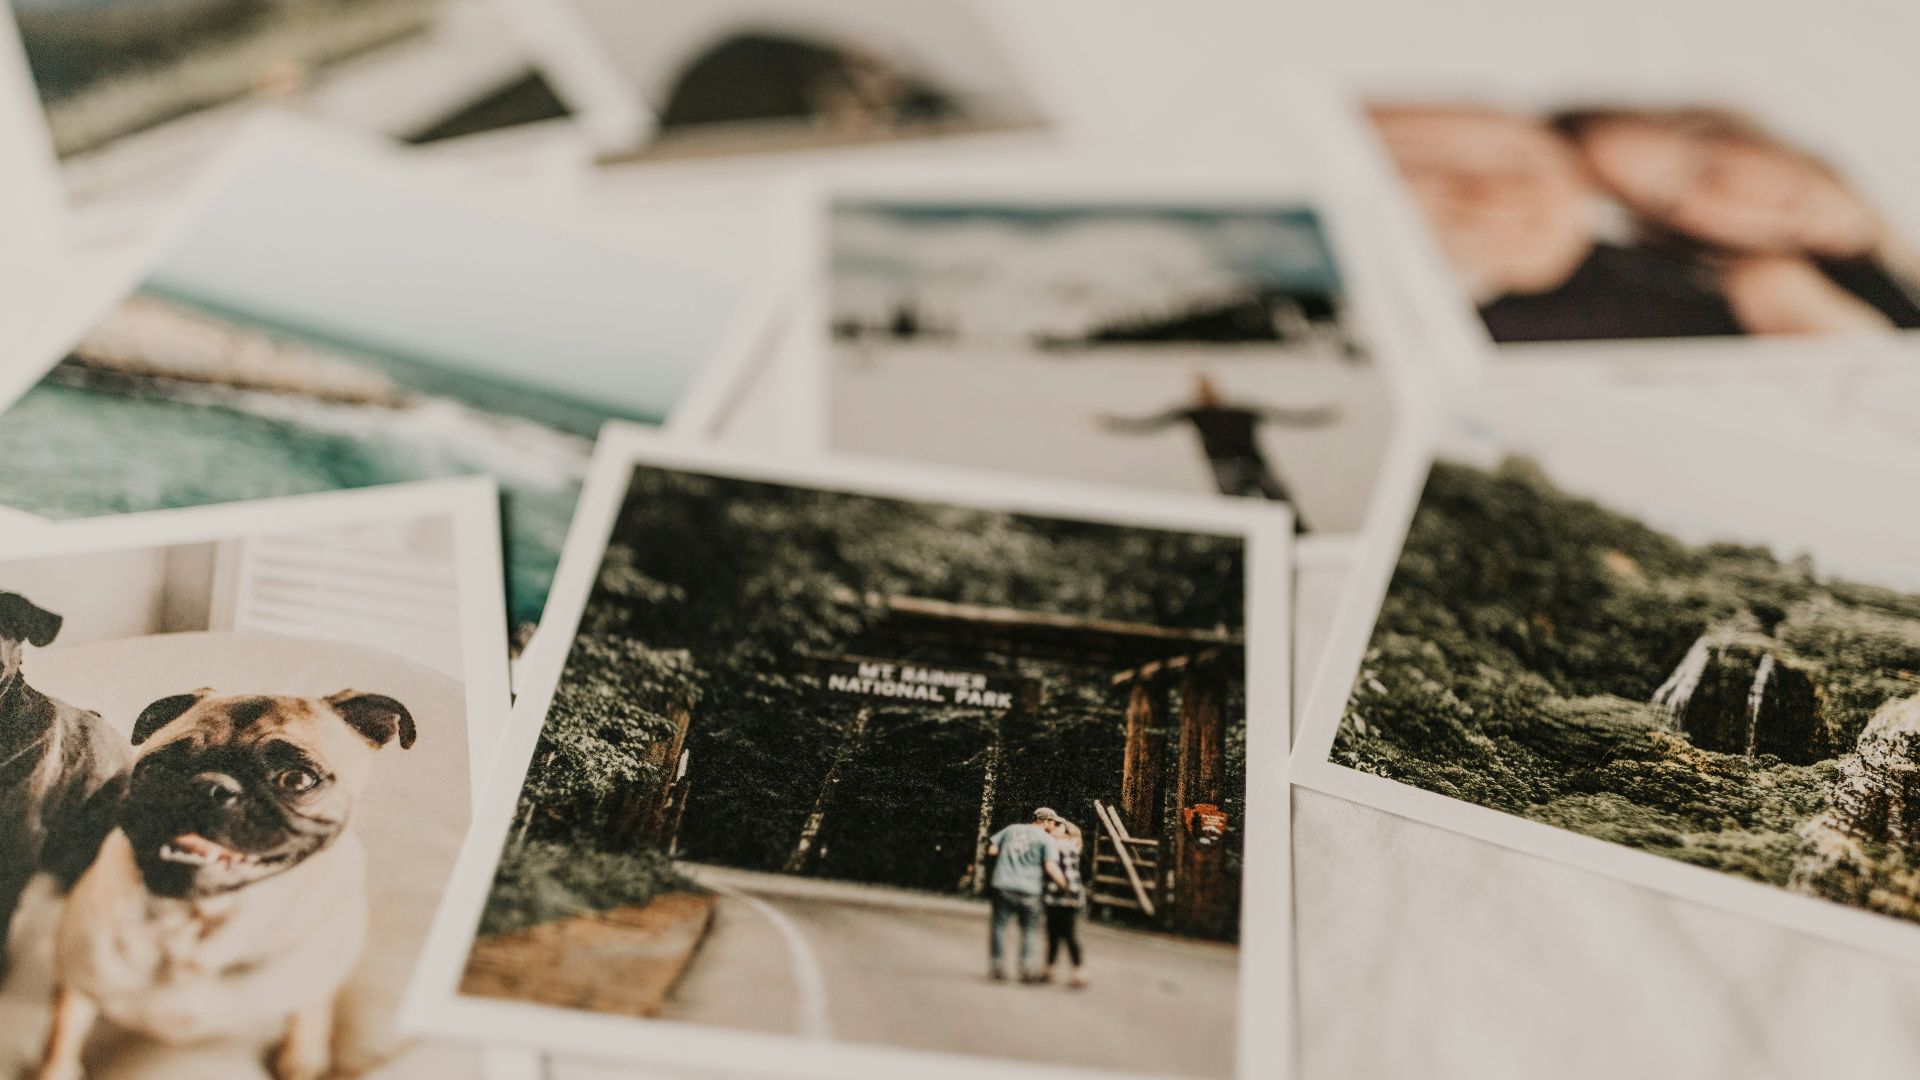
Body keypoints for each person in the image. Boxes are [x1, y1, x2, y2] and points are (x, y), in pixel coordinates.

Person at [1370, 105, 1743, 342]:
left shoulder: (1551, 256)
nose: (1716, 201)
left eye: (1665, 206)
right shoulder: (1518, 145)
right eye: (1702, 164)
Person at [1556, 107, 1920, 334]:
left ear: (1730, 131)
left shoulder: (1893, 145)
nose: (1726, 199)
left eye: (1703, 165)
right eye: (1668, 209)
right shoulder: (1774, 286)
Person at [1097, 374, 1338, 524]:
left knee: (1281, 508)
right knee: (1240, 516)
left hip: (1252, 465)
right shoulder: (1196, 413)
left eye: (1207, 388)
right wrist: (1111, 423)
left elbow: (1292, 417)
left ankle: (1304, 542)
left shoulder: (1241, 410)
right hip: (1228, 469)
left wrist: (1327, 414)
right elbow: (1147, 424)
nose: (1206, 394)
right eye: (1202, 390)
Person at [985, 807, 1069, 983]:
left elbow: (992, 850)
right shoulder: (1047, 839)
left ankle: (997, 966)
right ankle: (1026, 969)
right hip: (1029, 890)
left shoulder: (1011, 829)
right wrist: (1065, 885)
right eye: (1052, 822)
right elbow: (1050, 867)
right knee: (1029, 930)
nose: (1053, 826)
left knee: (999, 926)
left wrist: (1009, 855)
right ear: (1044, 821)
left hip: (1003, 884)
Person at [1040, 818, 1087, 989]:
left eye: (1057, 826)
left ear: (1065, 831)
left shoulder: (1065, 845)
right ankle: (1050, 969)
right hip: (1058, 896)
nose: (1052, 828)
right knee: (1056, 934)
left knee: (1066, 934)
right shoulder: (1067, 845)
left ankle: (1078, 972)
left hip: (1065, 895)